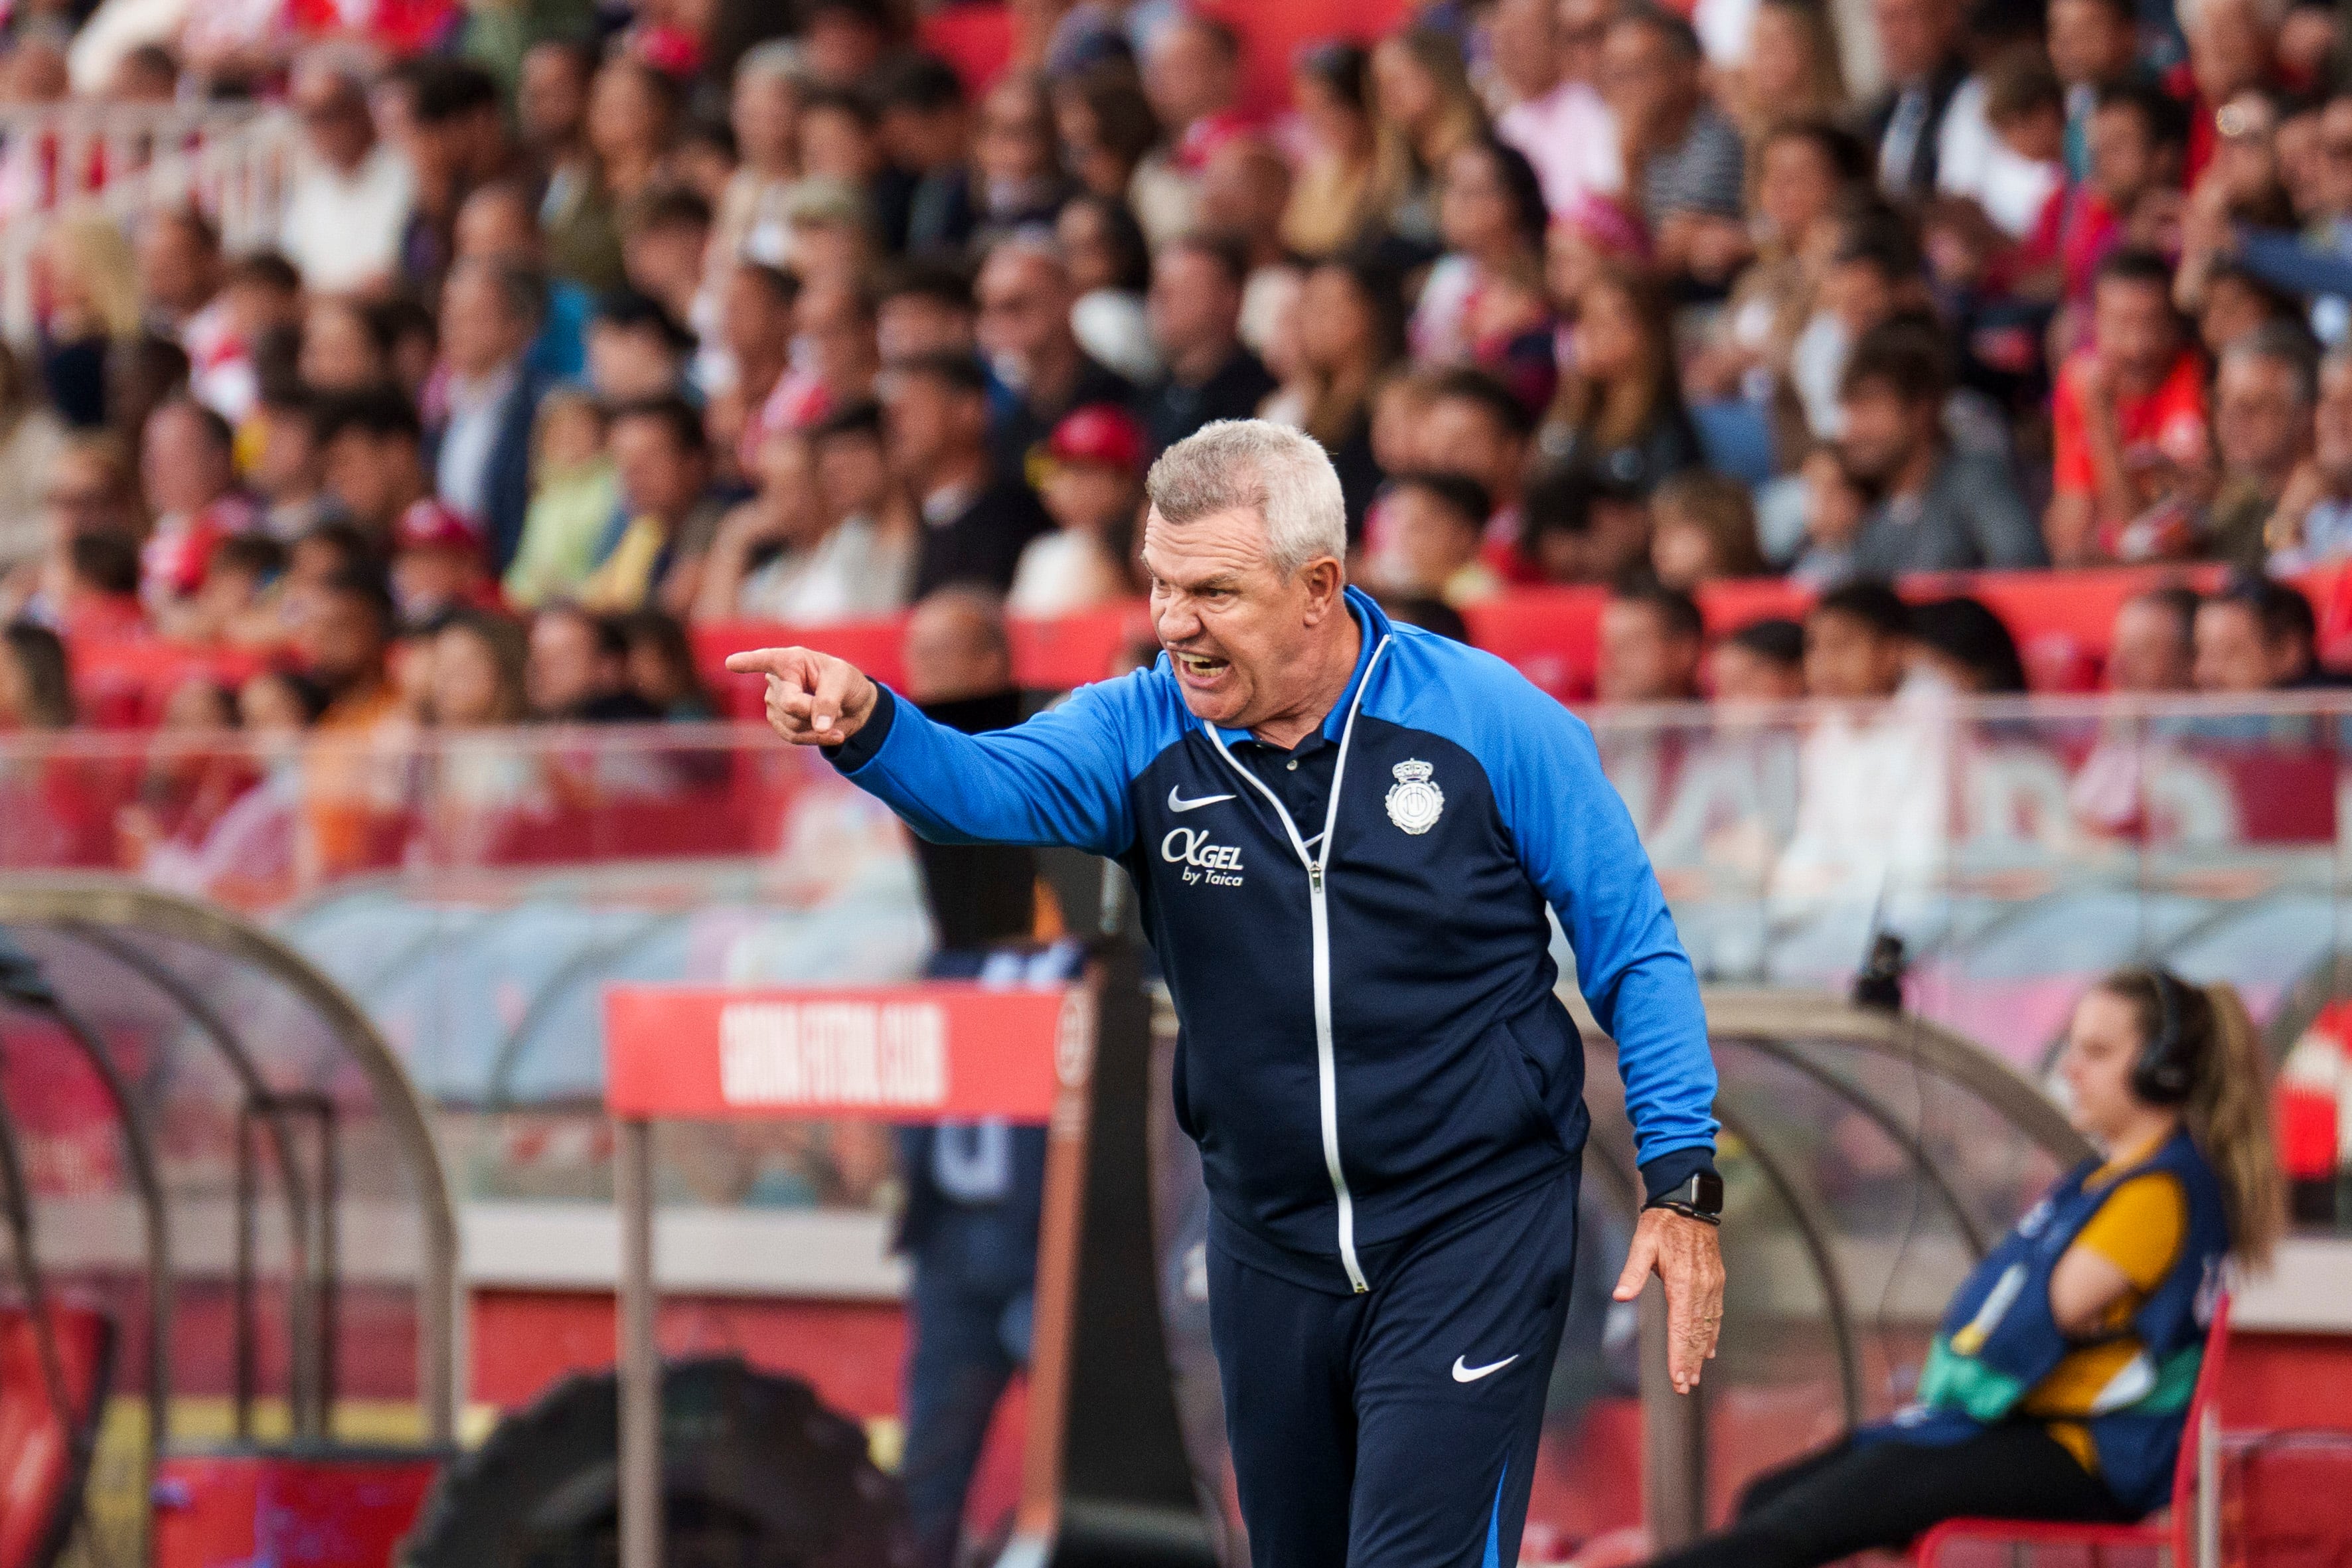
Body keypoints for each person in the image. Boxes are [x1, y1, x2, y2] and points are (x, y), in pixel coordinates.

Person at [728, 418, 1725, 1568]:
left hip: (1471, 1231)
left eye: (1211, 591)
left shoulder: (1490, 723)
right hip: (1264, 1242)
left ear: (1318, 588)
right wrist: (871, 725)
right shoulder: (1142, 728)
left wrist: (1679, 1181)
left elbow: (1633, 950)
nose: (1171, 624)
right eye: (1159, 583)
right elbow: (981, 789)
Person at [1647, 967, 2280, 1568]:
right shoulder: (2105, 1182)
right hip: (2028, 1432)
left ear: (2160, 1070)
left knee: (1798, 1526)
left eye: (2097, 1052)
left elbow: (2051, 1311)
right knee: (1772, 1500)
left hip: (2085, 1451)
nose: (2070, 1069)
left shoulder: (2154, 1195)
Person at [1834, 324, 2047, 572]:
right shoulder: (1871, 516)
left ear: (1921, 411)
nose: (1854, 431)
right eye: (1851, 412)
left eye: (1870, 409)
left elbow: (2021, 571)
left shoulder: (1975, 482)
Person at [2047, 250, 2213, 564]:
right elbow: (2070, 527)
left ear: (2174, 324)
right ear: (2095, 324)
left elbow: (2145, 532)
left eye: (2153, 324)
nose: (2138, 346)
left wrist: (2101, 418)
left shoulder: (2192, 376)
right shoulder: (2079, 379)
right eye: (2121, 325)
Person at [885, 350, 1055, 599]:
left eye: (909, 408)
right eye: (890, 413)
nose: (893, 424)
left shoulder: (1020, 519)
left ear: (968, 410)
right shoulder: (910, 530)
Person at [428, 258, 549, 575]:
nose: (454, 329)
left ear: (518, 327)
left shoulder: (543, 407)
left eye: (474, 318)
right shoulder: (442, 407)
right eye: (451, 316)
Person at [977, 235, 1134, 476]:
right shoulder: (1004, 423)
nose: (1000, 324)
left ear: (1068, 297)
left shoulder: (1123, 402)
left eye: (1016, 305)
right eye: (990, 308)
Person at [1138, 233, 1277, 457]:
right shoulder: (1146, 397)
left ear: (1231, 299)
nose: (1161, 298)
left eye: (1184, 288)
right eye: (1158, 286)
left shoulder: (1261, 401)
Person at [1010, 403, 1146, 616]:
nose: (1067, 484)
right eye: (1063, 470)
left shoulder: (1143, 549)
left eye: (1085, 472)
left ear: (1125, 481)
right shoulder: (1041, 550)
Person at [2193, 574, 2322, 692]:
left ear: (2288, 653)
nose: (2205, 673)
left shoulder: (2332, 711)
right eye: (2200, 652)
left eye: (2229, 653)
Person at [1597, 580, 1706, 702]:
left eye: (1632, 646)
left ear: (1684, 650)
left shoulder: (1723, 719)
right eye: (1608, 646)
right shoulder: (1585, 719)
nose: (1611, 663)